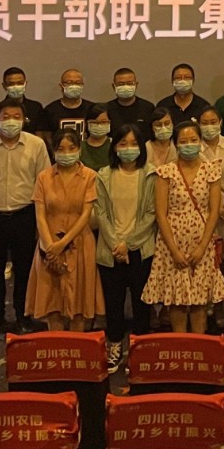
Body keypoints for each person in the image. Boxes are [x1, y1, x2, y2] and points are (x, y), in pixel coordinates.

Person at [0, 101, 52, 336]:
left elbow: (44, 185)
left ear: (24, 120)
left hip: (24, 215)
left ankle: (23, 316)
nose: (11, 121)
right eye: (6, 117)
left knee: (24, 269)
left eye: (17, 116)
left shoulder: (36, 145)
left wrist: (42, 222)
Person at [141, 120, 224, 332]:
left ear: (200, 142)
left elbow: (213, 212)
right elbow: (161, 214)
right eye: (183, 141)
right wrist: (174, 250)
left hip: (202, 242)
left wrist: (202, 247)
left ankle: (199, 346)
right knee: (177, 301)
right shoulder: (165, 172)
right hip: (172, 244)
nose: (189, 145)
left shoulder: (211, 170)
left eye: (193, 140)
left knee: (200, 303)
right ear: (176, 144)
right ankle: (180, 346)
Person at [94, 125, 157, 371]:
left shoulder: (150, 174)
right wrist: (116, 244)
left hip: (140, 250)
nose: (128, 149)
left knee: (142, 304)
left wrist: (128, 244)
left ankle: (139, 349)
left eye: (133, 144)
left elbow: (151, 214)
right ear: (114, 147)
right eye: (123, 144)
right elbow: (100, 213)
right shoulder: (104, 175)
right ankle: (115, 346)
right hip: (110, 251)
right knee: (114, 304)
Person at [26, 130, 101, 332]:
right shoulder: (43, 177)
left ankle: (77, 346)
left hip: (80, 244)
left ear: (79, 149)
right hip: (48, 244)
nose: (66, 153)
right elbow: (40, 215)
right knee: (53, 303)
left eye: (71, 148)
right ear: (54, 151)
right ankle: (56, 345)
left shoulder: (90, 176)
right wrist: (50, 247)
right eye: (61, 149)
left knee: (79, 307)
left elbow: (85, 215)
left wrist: (62, 244)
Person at [45, 68, 92, 145]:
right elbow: (46, 136)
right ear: (61, 86)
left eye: (77, 83)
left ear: (82, 85)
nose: (74, 86)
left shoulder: (91, 108)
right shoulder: (50, 110)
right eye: (69, 82)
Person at [157, 63, 211, 128]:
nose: (182, 81)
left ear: (193, 80)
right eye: (178, 78)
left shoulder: (203, 106)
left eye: (187, 77)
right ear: (172, 81)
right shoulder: (163, 105)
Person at [106, 67, 155, 133]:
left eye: (129, 83)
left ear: (136, 85)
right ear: (113, 86)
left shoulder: (148, 107)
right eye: (121, 84)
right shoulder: (107, 109)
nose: (125, 87)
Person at [77, 102, 113, 173]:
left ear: (109, 123)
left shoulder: (114, 145)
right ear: (87, 123)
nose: (99, 125)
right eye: (94, 122)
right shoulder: (79, 147)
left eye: (103, 122)